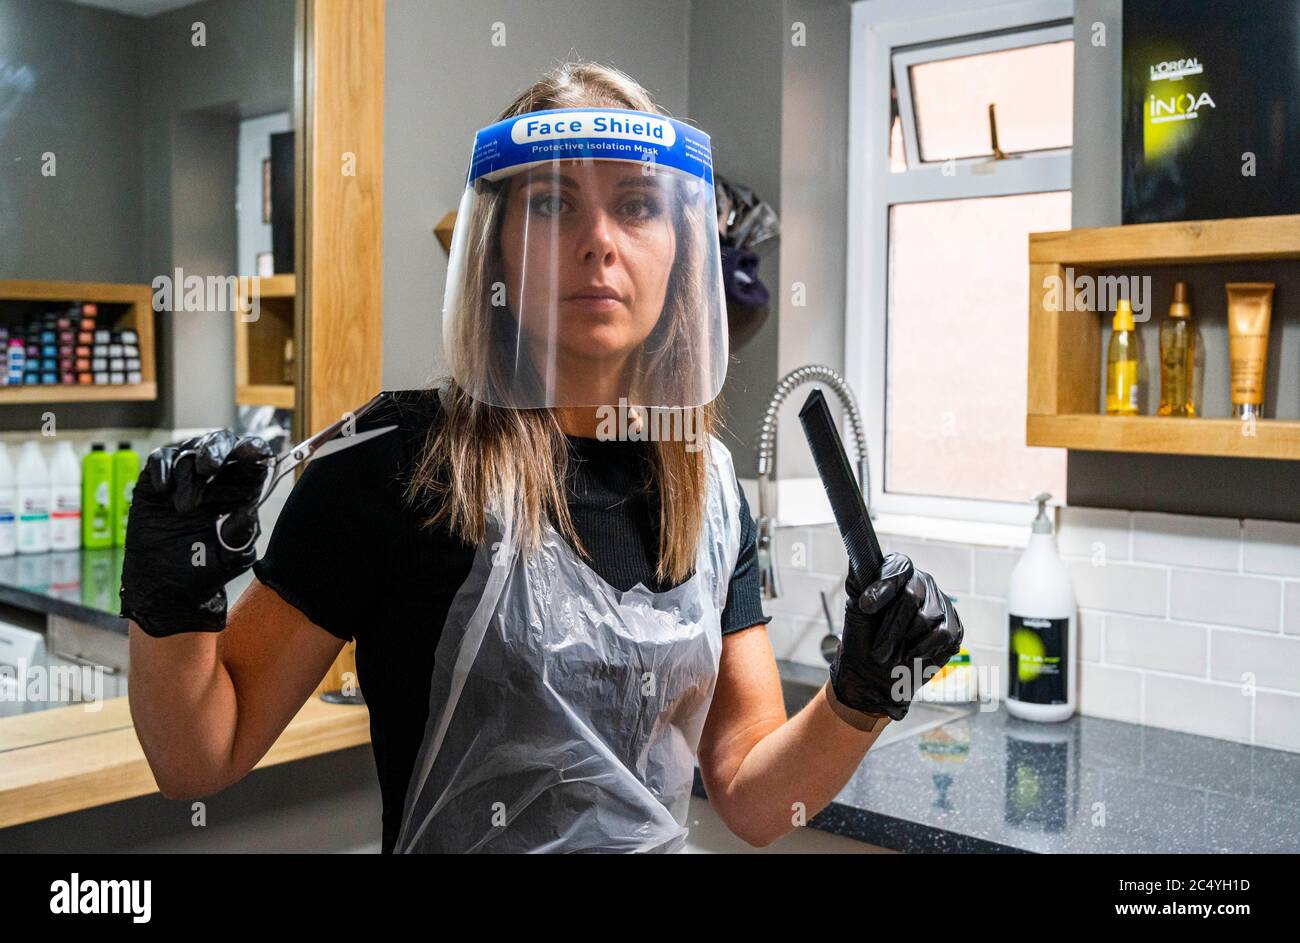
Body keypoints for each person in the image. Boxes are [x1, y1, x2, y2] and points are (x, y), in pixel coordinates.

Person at [120, 61, 962, 854]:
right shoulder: (398, 463)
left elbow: (750, 797)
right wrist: (171, 587)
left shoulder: (706, 489)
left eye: (636, 206)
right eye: (554, 206)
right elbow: (199, 759)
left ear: (678, 250)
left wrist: (859, 692)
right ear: (498, 248)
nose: (600, 240)